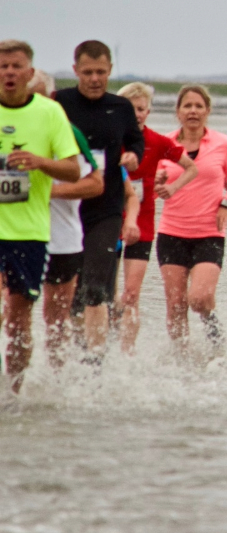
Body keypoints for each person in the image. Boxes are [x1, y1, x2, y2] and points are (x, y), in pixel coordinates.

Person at [51, 41, 145, 362]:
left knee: (95, 286)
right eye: (88, 72)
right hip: (67, 208)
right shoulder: (59, 103)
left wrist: (133, 156)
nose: (94, 79)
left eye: (101, 72)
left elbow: (135, 141)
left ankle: (95, 360)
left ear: (110, 71)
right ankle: (74, 351)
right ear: (75, 70)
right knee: (71, 291)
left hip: (106, 209)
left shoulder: (120, 107)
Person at [0, 41, 82, 391]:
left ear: (30, 73)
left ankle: (14, 393)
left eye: (16, 66)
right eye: (3, 67)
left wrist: (38, 162)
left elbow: (73, 170)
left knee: (18, 321)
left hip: (29, 233)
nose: (9, 73)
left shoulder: (50, 113)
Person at [155, 85, 227, 347]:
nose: (193, 111)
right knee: (175, 304)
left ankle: (215, 334)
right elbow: (152, 188)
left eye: (198, 106)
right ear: (178, 112)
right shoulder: (165, 144)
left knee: (200, 299)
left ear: (207, 111)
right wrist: (157, 182)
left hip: (209, 232)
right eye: (187, 106)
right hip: (171, 232)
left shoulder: (222, 144)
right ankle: (181, 359)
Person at [114, 82, 198, 354]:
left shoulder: (158, 141)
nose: (136, 114)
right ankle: (104, 345)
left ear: (148, 111)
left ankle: (128, 353)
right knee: (107, 296)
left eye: (140, 109)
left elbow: (191, 167)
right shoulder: (111, 140)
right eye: (130, 109)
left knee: (131, 295)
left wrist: (171, 187)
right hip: (109, 220)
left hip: (143, 223)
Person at [29, 69, 103, 369]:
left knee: (54, 320)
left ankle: (55, 381)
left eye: (35, 96)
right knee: (9, 309)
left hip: (61, 238)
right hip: (11, 233)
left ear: (50, 98)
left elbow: (96, 184)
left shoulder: (67, 131)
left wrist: (51, 191)